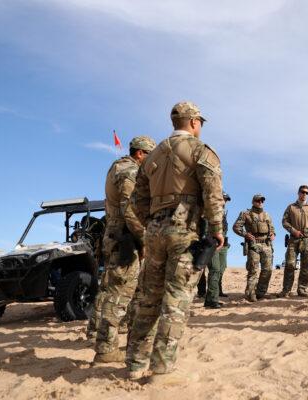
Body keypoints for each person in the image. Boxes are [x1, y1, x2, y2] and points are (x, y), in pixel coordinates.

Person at [127, 101, 224, 384]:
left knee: (149, 298)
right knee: (176, 300)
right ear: (194, 122)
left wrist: (152, 221)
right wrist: (217, 228)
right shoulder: (199, 150)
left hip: (155, 229)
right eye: (200, 123)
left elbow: (136, 200)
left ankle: (134, 364)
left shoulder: (153, 154)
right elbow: (213, 193)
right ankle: (161, 369)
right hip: (185, 230)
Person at [90, 136, 156, 364]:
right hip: (125, 238)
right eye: (149, 156)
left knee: (117, 291)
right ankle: (106, 349)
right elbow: (130, 211)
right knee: (118, 295)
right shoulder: (129, 171)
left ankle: (108, 344)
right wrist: (145, 239)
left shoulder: (116, 167)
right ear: (140, 153)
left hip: (117, 234)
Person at [277, 185, 308, 297]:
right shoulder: (291, 207)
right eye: (302, 192)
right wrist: (293, 231)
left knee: (305, 265)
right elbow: (284, 221)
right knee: (289, 265)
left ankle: (302, 289)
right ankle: (286, 290)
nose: (304, 194)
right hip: (293, 239)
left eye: (307, 193)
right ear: (298, 193)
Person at [233, 194, 276, 301]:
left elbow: (272, 229)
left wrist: (273, 234)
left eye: (262, 201)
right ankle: (250, 294)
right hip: (253, 244)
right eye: (258, 200)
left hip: (266, 245)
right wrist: (245, 234)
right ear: (253, 201)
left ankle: (260, 293)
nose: (260, 202)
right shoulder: (245, 213)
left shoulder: (267, 215)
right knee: (253, 270)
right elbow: (236, 227)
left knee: (267, 270)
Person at [202, 192, 231, 309]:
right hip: (212, 243)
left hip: (223, 244)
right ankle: (211, 299)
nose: (225, 202)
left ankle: (216, 293)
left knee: (221, 268)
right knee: (214, 269)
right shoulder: (209, 211)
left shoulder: (223, 213)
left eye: (227, 200)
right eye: (224, 199)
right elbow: (204, 228)